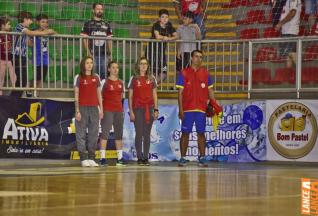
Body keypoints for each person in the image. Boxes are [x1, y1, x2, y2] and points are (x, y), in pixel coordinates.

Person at [176, 50, 221, 167]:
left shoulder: (206, 74)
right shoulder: (184, 73)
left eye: (201, 57)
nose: (199, 59)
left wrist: (214, 104)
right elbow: (180, 93)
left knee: (201, 133)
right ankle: (182, 158)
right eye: (196, 56)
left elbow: (210, 91)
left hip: (201, 109)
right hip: (187, 109)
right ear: (191, 58)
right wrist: (180, 109)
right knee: (185, 133)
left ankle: (202, 158)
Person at [11, 11, 55, 97]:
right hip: (18, 56)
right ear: (25, 19)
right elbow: (31, 34)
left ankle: (19, 98)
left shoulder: (26, 30)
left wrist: (47, 33)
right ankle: (14, 98)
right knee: (23, 80)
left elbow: (29, 42)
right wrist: (45, 33)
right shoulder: (20, 26)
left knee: (24, 80)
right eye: (30, 20)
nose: (31, 22)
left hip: (25, 56)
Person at [128, 57, 159, 166]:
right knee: (139, 133)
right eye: (141, 64)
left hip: (149, 109)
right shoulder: (134, 79)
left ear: (148, 65)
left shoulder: (152, 78)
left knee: (147, 134)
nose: (143, 66)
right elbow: (130, 96)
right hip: (137, 109)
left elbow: (155, 95)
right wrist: (131, 111)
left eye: (145, 64)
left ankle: (146, 158)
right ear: (138, 65)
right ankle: (139, 158)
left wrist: (156, 109)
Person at [74, 56, 103, 167]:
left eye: (91, 62)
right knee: (80, 134)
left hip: (94, 109)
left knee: (93, 135)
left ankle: (91, 157)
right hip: (82, 108)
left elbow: (99, 94)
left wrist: (101, 109)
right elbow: (76, 95)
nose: (90, 65)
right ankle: (83, 158)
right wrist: (77, 110)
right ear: (83, 64)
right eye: (87, 63)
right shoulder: (78, 77)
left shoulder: (96, 77)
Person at [99, 61, 127, 166]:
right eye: (113, 67)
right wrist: (101, 110)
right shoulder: (104, 82)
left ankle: (120, 158)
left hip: (118, 111)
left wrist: (121, 110)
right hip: (107, 110)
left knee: (119, 134)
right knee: (105, 134)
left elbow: (122, 98)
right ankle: (102, 158)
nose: (116, 69)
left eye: (117, 67)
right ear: (109, 69)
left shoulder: (121, 83)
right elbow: (99, 97)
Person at [81, 3, 113, 80]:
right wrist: (88, 53)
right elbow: (84, 39)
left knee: (104, 75)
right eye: (98, 9)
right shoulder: (88, 23)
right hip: (92, 55)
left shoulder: (107, 24)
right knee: (93, 75)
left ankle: (102, 91)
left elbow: (109, 40)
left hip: (104, 55)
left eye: (101, 9)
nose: (100, 11)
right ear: (93, 10)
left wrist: (111, 54)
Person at [147, 9, 177, 84]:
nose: (164, 19)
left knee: (164, 72)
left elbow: (176, 36)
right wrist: (164, 37)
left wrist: (169, 38)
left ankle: (153, 86)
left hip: (161, 53)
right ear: (159, 18)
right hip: (152, 52)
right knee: (153, 72)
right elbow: (157, 36)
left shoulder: (169, 25)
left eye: (166, 17)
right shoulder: (156, 25)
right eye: (162, 17)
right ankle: (151, 89)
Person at [28, 14, 51, 97]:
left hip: (45, 59)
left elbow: (54, 32)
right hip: (37, 58)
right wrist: (37, 35)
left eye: (46, 22)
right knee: (36, 78)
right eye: (43, 22)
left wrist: (46, 32)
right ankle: (30, 90)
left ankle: (37, 95)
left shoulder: (48, 30)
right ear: (38, 22)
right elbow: (29, 43)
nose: (45, 24)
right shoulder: (34, 30)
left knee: (41, 79)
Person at [274, 0, 301, 68]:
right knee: (288, 58)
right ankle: (290, 76)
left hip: (291, 32)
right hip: (285, 32)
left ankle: (299, 75)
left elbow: (292, 13)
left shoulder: (295, 0)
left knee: (291, 56)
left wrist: (280, 23)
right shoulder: (284, 2)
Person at [0, 17, 15, 95]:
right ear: (2, 25)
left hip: (8, 59)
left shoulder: (9, 34)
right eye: (8, 24)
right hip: (1, 60)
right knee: (1, 77)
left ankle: (16, 90)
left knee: (13, 75)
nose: (10, 26)